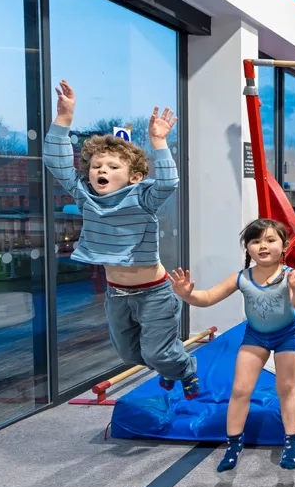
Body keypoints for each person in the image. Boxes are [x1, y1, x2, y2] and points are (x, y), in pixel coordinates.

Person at [42, 80, 198, 398]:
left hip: (154, 293)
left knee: (158, 353)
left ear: (134, 176)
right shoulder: (85, 195)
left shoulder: (142, 196)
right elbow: (56, 162)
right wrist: (64, 118)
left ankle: (184, 369)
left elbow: (168, 183)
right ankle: (167, 365)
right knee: (129, 355)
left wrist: (159, 142)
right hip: (116, 294)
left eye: (113, 166)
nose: (102, 170)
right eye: (97, 166)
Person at [168, 219, 295, 472]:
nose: (263, 246)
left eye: (270, 240)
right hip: (255, 336)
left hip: (286, 335)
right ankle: (233, 445)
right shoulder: (241, 278)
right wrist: (187, 294)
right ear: (247, 248)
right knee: (240, 390)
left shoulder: (289, 276)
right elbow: (208, 297)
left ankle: (291, 444)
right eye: (255, 241)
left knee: (286, 388)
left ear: (284, 245)